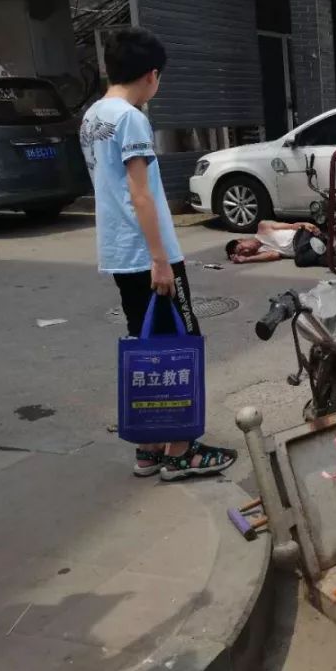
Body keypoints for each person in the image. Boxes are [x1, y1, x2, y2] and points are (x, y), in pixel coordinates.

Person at [80, 28, 236, 482]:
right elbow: (140, 193)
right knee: (182, 345)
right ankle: (182, 452)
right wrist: (161, 259)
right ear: (151, 75)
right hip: (148, 254)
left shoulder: (92, 116)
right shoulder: (130, 118)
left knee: (148, 348)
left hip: (118, 252)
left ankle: (148, 449)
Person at [226, 220, 322, 264]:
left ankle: (322, 246)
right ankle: (330, 252)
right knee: (317, 259)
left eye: (241, 248)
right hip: (301, 250)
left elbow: (290, 226)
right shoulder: (260, 252)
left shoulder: (263, 227)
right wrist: (246, 259)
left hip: (300, 236)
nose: (246, 251)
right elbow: (274, 255)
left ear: (241, 240)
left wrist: (305, 224)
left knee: (300, 260)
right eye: (243, 253)